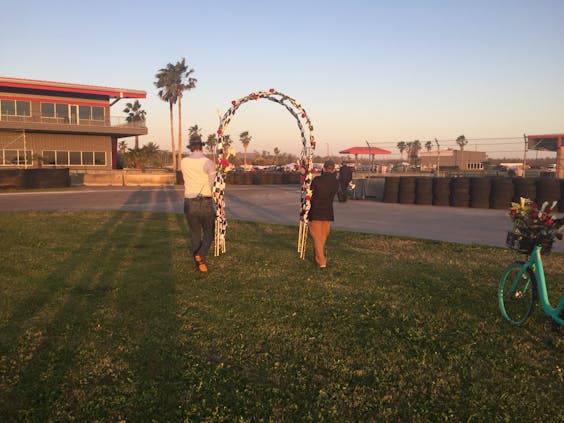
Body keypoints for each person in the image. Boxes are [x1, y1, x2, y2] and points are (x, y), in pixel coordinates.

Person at [181, 138, 217, 272]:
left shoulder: (183, 162)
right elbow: (213, 185)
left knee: (194, 232)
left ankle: (199, 262)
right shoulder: (208, 163)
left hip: (189, 201)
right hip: (205, 202)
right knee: (209, 231)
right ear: (202, 147)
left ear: (190, 147)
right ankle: (200, 255)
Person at [308, 160, 339, 268]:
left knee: (317, 237)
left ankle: (321, 261)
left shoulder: (317, 180)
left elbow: (310, 193)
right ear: (334, 169)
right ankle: (317, 256)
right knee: (322, 236)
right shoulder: (336, 182)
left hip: (316, 211)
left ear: (324, 168)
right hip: (328, 211)